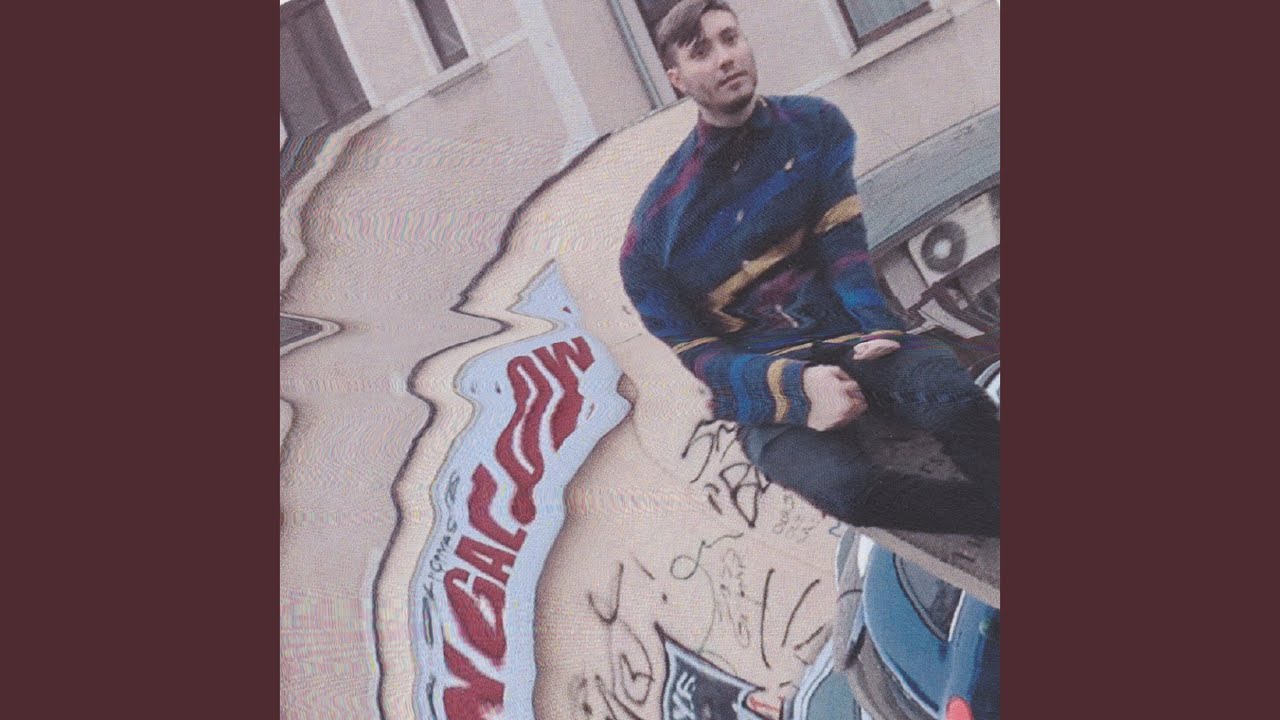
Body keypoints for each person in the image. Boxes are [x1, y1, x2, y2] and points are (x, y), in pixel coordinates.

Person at [618, 0, 1001, 536]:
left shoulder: (813, 125)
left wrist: (879, 325)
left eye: (731, 38)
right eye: (702, 52)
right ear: (676, 79)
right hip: (760, 385)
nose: (726, 58)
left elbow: (842, 249)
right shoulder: (650, 239)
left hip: (847, 339)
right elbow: (703, 358)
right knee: (845, 489)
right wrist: (796, 388)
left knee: (952, 396)